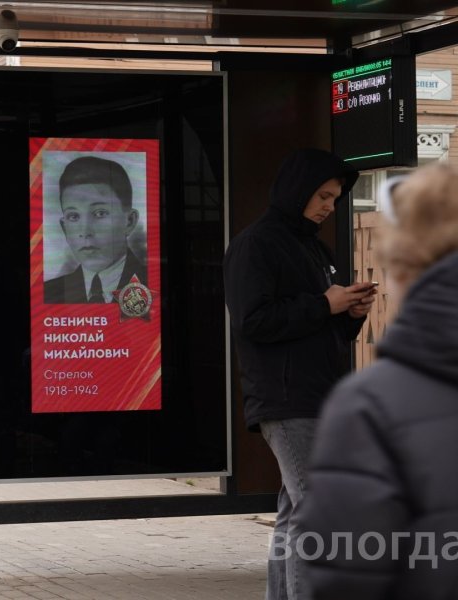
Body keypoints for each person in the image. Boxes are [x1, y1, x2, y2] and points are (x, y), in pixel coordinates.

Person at [298, 163, 458, 599]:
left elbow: (345, 571)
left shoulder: (372, 406)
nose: (328, 208)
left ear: (399, 264)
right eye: (323, 196)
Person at [223, 148, 376, 600]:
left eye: (335, 197)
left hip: (319, 396)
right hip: (287, 400)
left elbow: (321, 325)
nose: (329, 205)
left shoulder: (315, 247)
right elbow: (253, 321)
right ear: (296, 190)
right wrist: (325, 304)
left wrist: (350, 312)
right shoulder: (257, 244)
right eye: (323, 195)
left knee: (295, 515)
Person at [44, 155, 147, 304]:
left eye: (100, 213)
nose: (85, 232)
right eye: (73, 216)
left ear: (129, 221)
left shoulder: (154, 284)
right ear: (64, 228)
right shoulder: (48, 294)